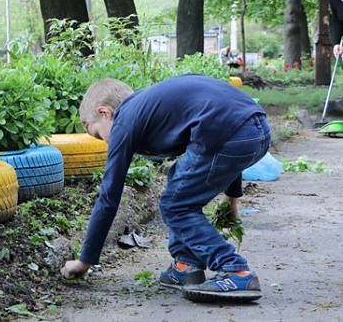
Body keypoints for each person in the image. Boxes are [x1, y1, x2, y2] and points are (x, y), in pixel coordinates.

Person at [60, 75, 271, 303]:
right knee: (177, 179)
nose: (105, 143)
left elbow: (109, 197)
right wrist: (231, 200)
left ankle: (237, 271)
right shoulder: (150, 107)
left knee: (175, 205)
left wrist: (85, 260)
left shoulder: (124, 120)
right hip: (258, 132)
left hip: (231, 135)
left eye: (98, 134)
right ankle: (185, 264)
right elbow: (228, 120)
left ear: (105, 112)